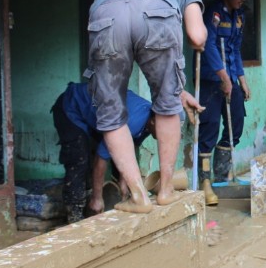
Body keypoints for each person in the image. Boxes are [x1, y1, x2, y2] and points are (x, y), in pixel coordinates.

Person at [86, 0, 207, 213]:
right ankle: (165, 190)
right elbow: (196, 36)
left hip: (104, 14)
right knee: (167, 106)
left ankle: (138, 197)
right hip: (157, 12)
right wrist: (203, 35)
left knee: (111, 114)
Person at [51, 83, 203, 222]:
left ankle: (91, 200)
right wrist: (98, 198)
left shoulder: (149, 121)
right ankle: (75, 213)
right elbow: (101, 159)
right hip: (71, 106)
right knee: (79, 159)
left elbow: (128, 151)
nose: (169, 135)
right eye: (167, 130)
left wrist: (125, 184)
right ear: (153, 122)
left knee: (95, 156)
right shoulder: (132, 122)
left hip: (98, 110)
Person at [198, 0, 251, 204]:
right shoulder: (214, 13)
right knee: (208, 129)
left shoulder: (239, 16)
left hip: (230, 78)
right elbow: (208, 44)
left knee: (235, 124)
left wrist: (241, 79)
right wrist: (222, 76)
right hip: (211, 79)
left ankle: (221, 177)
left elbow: (235, 49)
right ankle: (205, 181)